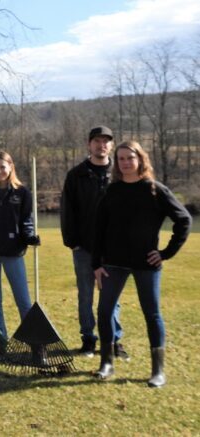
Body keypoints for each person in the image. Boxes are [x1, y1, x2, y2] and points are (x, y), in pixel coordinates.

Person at [92, 141, 191, 387]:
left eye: (130, 158)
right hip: (113, 264)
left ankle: (158, 371)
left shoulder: (154, 190)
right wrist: (96, 264)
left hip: (146, 264)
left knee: (152, 314)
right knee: (104, 312)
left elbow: (184, 220)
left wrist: (166, 253)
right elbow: (98, 229)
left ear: (140, 159)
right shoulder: (112, 191)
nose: (125, 162)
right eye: (121, 158)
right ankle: (106, 363)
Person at [61, 125, 127, 359]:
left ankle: (114, 341)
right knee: (86, 296)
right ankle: (88, 339)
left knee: (111, 297)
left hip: (113, 249)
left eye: (106, 141)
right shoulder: (76, 175)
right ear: (89, 144)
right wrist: (73, 243)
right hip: (84, 247)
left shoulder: (120, 174)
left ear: (111, 145)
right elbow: (68, 211)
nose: (102, 145)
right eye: (97, 141)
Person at [0, 151, 40, 338]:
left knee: (23, 300)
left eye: (2, 167)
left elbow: (26, 221)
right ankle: (0, 339)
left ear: (10, 167)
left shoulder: (22, 193)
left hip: (13, 252)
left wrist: (30, 237)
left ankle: (32, 340)